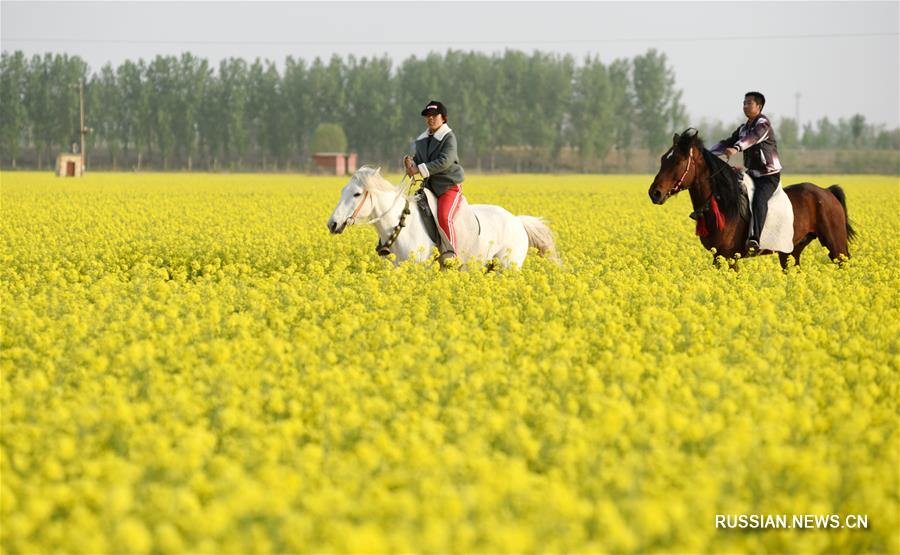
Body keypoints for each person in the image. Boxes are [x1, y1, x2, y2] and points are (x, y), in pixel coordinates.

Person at [709, 91, 782, 252]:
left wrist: (736, 148)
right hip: (752, 174)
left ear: (759, 106)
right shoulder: (743, 128)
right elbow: (727, 142)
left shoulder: (763, 124)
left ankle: (755, 238)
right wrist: (707, 153)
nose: (745, 106)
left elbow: (752, 139)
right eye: (744, 103)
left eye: (749, 103)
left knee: (759, 200)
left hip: (768, 176)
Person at [404, 100, 466, 264]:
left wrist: (419, 169)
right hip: (429, 187)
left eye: (434, 116)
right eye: (428, 116)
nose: (430, 119)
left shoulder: (449, 137)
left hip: (448, 186)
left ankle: (451, 253)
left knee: (444, 217)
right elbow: (419, 160)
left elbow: (445, 161)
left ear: (443, 118)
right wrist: (411, 164)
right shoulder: (423, 139)